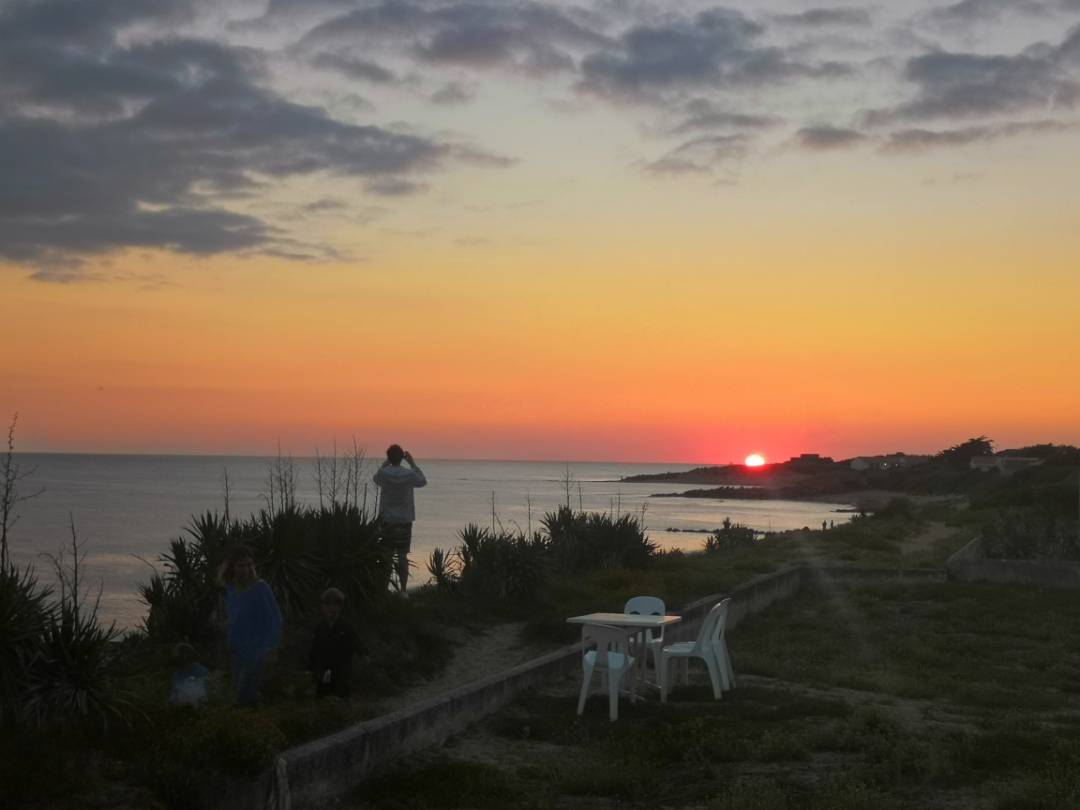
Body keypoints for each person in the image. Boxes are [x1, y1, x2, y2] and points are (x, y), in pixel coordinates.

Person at [218, 545, 282, 707]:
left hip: (256, 650)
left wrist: (271, 647)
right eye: (241, 565)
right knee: (240, 694)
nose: (246, 569)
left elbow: (275, 619)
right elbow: (235, 616)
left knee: (242, 696)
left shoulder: (260, 588)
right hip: (236, 650)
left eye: (249, 565)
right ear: (232, 567)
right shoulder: (231, 589)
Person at [373, 444, 427, 592]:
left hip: (387, 520)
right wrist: (412, 463)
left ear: (389, 457)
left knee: (387, 556)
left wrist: (386, 463)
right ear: (402, 458)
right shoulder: (409, 474)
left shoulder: (384, 473)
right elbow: (423, 481)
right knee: (402, 556)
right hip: (404, 520)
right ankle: (403, 590)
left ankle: (384, 588)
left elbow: (376, 478)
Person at [307, 587, 360, 698]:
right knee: (322, 701)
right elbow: (314, 650)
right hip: (322, 673)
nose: (331, 608)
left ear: (340, 607)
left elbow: (357, 645)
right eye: (327, 605)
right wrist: (310, 669)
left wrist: (364, 655)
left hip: (341, 675)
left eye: (335, 605)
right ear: (323, 607)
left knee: (340, 700)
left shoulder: (346, 627)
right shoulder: (320, 627)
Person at [169, 642, 209, 707]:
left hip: (199, 707)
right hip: (181, 708)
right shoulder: (177, 674)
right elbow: (174, 695)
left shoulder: (201, 671)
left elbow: (204, 693)